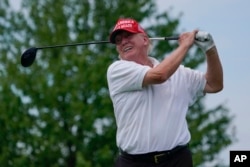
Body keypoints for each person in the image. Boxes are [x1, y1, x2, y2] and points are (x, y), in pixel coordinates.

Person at [107, 18, 223, 167]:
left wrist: (210, 49)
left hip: (177, 160)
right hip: (134, 163)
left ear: (144, 39)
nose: (123, 42)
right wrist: (185, 45)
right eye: (118, 40)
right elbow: (159, 75)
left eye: (128, 36)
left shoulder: (179, 73)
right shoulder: (117, 70)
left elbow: (215, 85)